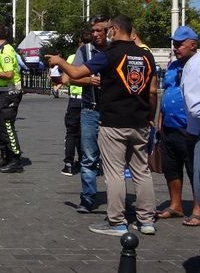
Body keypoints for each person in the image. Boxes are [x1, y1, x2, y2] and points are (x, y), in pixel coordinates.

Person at [49, 15, 158, 236]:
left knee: (114, 172)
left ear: (116, 29)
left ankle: (117, 221)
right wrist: (150, 115)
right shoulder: (147, 55)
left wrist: (60, 62)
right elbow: (153, 91)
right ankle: (146, 220)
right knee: (142, 171)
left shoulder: (110, 54)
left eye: (108, 29)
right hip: (140, 121)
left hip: (114, 122)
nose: (106, 33)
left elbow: (77, 73)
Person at [157, 26, 200, 225]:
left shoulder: (197, 65)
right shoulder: (173, 66)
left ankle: (198, 209)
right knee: (170, 167)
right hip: (168, 126)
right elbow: (166, 91)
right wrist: (160, 119)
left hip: (188, 127)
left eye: (179, 44)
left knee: (194, 169)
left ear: (193, 44)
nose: (176, 48)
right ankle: (176, 206)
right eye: (174, 44)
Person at [67, 15, 109, 214]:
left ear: (109, 30)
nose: (95, 34)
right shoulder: (84, 51)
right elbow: (70, 78)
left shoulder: (116, 50)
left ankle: (117, 198)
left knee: (114, 159)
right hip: (90, 109)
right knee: (89, 156)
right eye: (93, 31)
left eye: (99, 30)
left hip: (113, 112)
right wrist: (89, 81)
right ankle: (88, 197)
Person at [0, 24, 24, 173]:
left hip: (10, 93)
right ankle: (5, 155)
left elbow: (9, 74)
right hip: (3, 93)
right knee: (1, 126)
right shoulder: (1, 50)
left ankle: (16, 159)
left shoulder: (6, 51)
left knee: (8, 126)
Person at [61, 30, 92, 176]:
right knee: (86, 133)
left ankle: (68, 164)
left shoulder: (73, 57)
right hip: (89, 100)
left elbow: (64, 79)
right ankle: (85, 161)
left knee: (71, 133)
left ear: (80, 43)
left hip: (75, 100)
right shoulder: (94, 57)